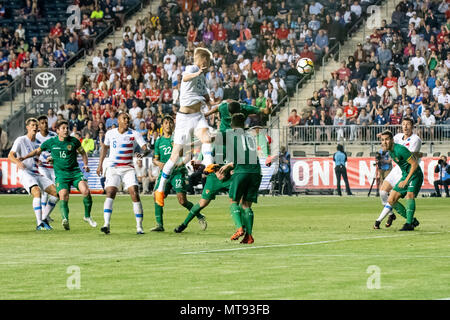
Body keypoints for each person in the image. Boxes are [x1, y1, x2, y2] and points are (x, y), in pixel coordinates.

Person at [154, 48, 214, 207]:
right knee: (174, 157)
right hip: (184, 119)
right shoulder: (193, 69)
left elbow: (208, 99)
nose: (209, 64)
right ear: (202, 60)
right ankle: (160, 190)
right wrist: (197, 73)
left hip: (198, 116)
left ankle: (209, 167)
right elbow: (185, 78)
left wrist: (216, 104)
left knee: (207, 139)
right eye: (207, 61)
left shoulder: (203, 78)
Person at [18, 120, 97, 230]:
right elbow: (37, 151)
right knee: (63, 195)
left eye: (67, 128)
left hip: (75, 173)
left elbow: (83, 152)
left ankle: (87, 216)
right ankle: (65, 219)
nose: (66, 130)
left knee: (86, 191)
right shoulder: (51, 142)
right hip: (61, 175)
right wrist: (25, 157)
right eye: (63, 128)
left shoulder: (74, 141)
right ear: (58, 130)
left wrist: (85, 164)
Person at [96, 112, 149, 235]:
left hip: (128, 168)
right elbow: (104, 148)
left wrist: (141, 154)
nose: (126, 120)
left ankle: (139, 226)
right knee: (110, 192)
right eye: (124, 118)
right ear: (118, 120)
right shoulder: (110, 133)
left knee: (134, 192)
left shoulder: (134, 133)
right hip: (113, 168)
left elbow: (146, 148)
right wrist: (100, 165)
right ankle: (106, 224)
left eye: (127, 119)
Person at [151, 116, 207, 232]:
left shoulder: (179, 138)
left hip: (178, 172)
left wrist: (181, 163)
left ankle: (199, 216)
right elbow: (155, 159)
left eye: (170, 122)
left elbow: (189, 155)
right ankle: (159, 225)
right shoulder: (159, 141)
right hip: (165, 173)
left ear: (173, 125)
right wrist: (159, 163)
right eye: (166, 122)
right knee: (158, 195)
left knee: (182, 201)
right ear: (162, 126)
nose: (168, 124)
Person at [218, 113, 262, 244]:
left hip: (242, 171)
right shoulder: (250, 137)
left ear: (232, 125)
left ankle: (239, 229)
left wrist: (228, 166)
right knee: (246, 204)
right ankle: (249, 235)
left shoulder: (232, 136)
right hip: (256, 172)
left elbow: (235, 156)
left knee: (233, 201)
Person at [8, 118, 59, 230]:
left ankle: (44, 219)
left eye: (36, 125)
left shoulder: (39, 144)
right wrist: (18, 162)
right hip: (25, 173)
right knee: (37, 192)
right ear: (27, 127)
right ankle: (39, 223)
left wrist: (49, 160)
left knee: (56, 193)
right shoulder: (21, 140)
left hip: (37, 173)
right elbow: (10, 155)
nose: (35, 127)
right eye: (32, 125)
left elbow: (43, 156)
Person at [374, 118, 422, 228]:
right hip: (399, 170)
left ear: (412, 126)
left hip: (411, 171)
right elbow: (388, 140)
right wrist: (383, 137)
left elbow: (411, 158)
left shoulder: (415, 139)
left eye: (408, 124)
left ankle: (409, 223)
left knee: (409, 195)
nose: (405, 126)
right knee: (386, 195)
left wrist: (405, 179)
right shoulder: (397, 138)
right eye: (403, 124)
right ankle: (392, 215)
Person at [35, 115, 59, 222]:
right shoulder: (35, 137)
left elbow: (58, 149)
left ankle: (45, 214)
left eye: (46, 122)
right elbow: (32, 151)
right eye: (42, 123)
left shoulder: (54, 136)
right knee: (45, 191)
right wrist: (36, 160)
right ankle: (43, 217)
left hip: (53, 168)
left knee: (57, 192)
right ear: (39, 125)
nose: (45, 125)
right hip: (42, 167)